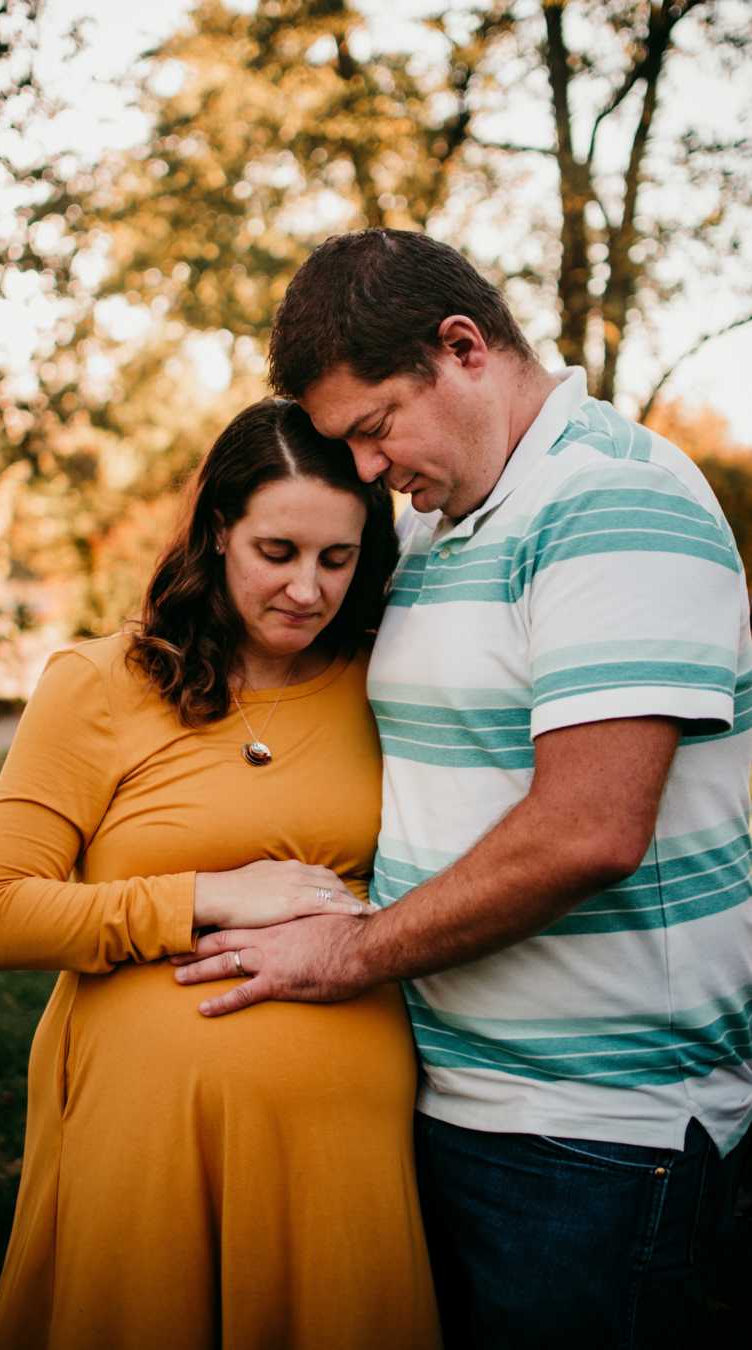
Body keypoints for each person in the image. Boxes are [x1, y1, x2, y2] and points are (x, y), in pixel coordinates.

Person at [173, 230, 752, 1349]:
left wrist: (345, 951)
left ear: (463, 347)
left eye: (375, 428)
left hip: (593, 1137)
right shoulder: (443, 522)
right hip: (450, 1095)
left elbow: (586, 831)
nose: (372, 471)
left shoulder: (613, 503)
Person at [0, 397, 442, 1350]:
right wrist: (203, 897)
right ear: (219, 529)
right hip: (149, 1144)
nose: (308, 590)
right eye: (279, 552)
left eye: (337, 560)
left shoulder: (389, 679)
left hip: (342, 1142)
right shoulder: (101, 684)